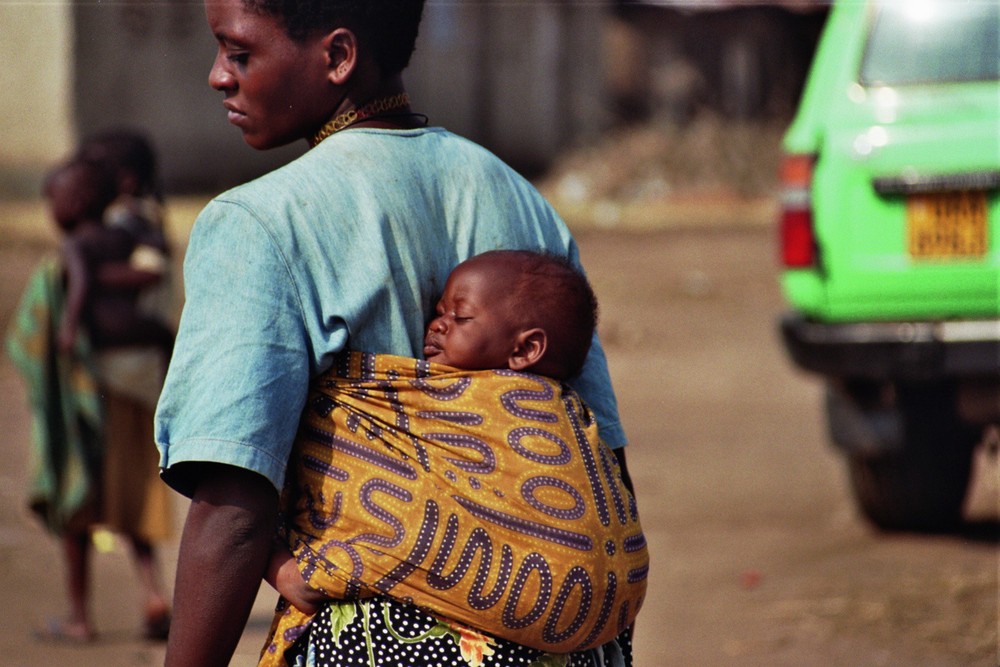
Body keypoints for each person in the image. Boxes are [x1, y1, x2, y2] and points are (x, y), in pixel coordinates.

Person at [154, 1, 636, 665]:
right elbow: (596, 458)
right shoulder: (520, 199)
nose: (217, 76)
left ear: (338, 56)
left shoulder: (259, 222)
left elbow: (233, 499)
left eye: (238, 52)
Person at [262, 250, 646, 663]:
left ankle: (297, 574)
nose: (437, 324)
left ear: (525, 350)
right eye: (439, 311)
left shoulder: (552, 420)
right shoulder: (421, 404)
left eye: (460, 317)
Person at [6, 156, 174, 643]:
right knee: (130, 507)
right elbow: (153, 270)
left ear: (72, 203)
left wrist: (65, 327)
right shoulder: (124, 239)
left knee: (78, 509)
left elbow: (60, 305)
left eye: (52, 199)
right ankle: (152, 594)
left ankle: (80, 616)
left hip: (86, 394)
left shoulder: (72, 251)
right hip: (133, 384)